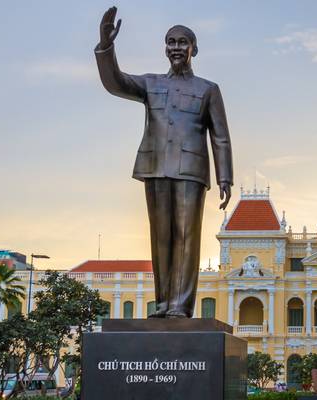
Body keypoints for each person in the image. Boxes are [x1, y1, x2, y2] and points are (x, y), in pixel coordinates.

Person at [95, 7, 233, 318]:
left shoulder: (208, 89)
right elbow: (115, 82)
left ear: (193, 49)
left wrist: (225, 176)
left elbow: (220, 136)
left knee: (186, 236)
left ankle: (180, 306)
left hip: (190, 171)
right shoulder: (150, 83)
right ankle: (162, 303)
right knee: (160, 237)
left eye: (182, 42)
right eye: (170, 42)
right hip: (155, 167)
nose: (176, 48)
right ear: (165, 48)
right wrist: (106, 47)